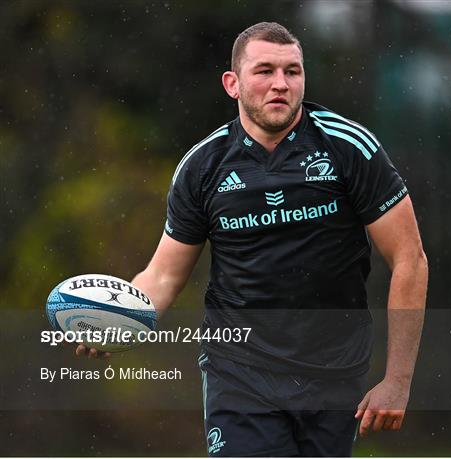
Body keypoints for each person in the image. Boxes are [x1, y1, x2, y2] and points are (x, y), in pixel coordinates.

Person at [77, 22, 428, 457]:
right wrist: (124, 316)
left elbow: (410, 259)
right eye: (264, 71)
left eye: (292, 72)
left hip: (335, 372)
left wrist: (397, 381)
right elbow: (164, 275)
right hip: (240, 372)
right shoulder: (203, 167)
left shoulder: (349, 147)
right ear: (233, 83)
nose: (280, 84)